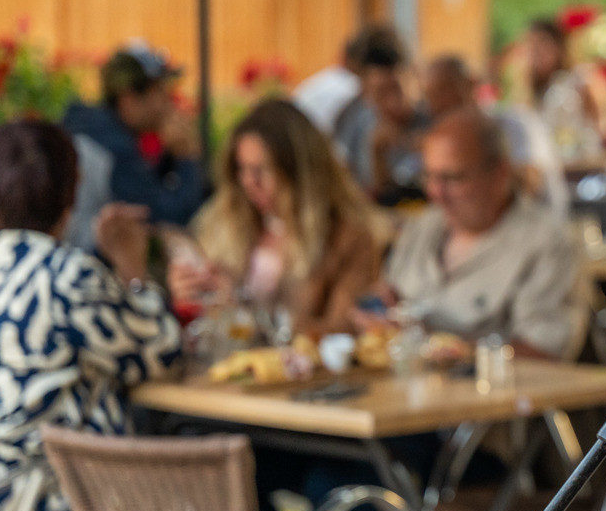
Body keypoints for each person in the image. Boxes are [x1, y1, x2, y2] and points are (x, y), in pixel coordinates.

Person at [0, 121, 181, 511]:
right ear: (72, 194)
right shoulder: (65, 276)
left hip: (7, 510)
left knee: (63, 474)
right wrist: (131, 265)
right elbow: (159, 353)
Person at [170, 99, 382, 337]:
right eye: (242, 169)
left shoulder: (349, 238)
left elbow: (343, 331)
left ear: (299, 173)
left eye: (261, 170)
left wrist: (245, 316)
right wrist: (188, 293)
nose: (250, 182)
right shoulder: (224, 225)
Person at [377, 108, 578, 356]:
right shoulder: (422, 227)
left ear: (499, 174)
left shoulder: (546, 241)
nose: (436, 193)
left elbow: (543, 353)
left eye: (453, 178)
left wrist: (445, 348)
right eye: (428, 177)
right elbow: (389, 301)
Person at [60, 44, 206, 236]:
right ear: (128, 99)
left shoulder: (94, 129)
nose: (168, 102)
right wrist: (187, 158)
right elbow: (170, 217)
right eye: (160, 91)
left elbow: (145, 190)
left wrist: (169, 158)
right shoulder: (113, 149)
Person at [421, 53, 568, 214]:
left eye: (445, 90)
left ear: (471, 84)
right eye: (431, 96)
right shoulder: (440, 139)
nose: (438, 103)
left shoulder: (515, 123)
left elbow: (532, 182)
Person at [332, 25, 427, 204]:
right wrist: (376, 155)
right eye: (381, 93)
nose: (392, 102)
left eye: (397, 89)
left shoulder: (434, 122)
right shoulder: (353, 123)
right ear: (365, 91)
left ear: (414, 78)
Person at [525, 17, 606, 168]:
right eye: (531, 45)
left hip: (585, 170)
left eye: (543, 43)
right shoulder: (534, 91)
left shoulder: (583, 80)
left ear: (559, 46)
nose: (537, 52)